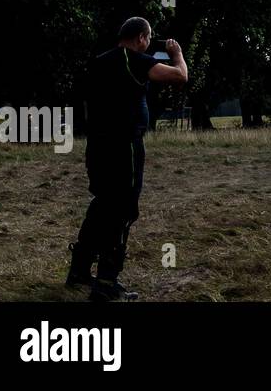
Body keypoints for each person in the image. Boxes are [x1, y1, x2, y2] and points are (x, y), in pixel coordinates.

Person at [68, 17, 188, 301]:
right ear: (141, 38)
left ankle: (79, 271)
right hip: (124, 148)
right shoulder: (133, 59)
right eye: (148, 39)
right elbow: (180, 76)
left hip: (97, 146)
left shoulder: (98, 61)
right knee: (122, 210)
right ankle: (107, 283)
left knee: (101, 206)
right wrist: (177, 54)